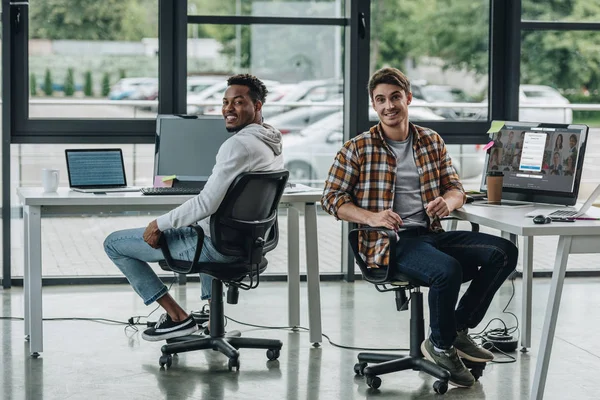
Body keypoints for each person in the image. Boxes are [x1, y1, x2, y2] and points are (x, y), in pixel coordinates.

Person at [321, 67, 518, 388]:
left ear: (408, 98)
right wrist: (372, 217)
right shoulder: (357, 148)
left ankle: (453, 330)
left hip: (429, 234)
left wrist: (448, 203)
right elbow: (331, 199)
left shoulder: (430, 140)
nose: (389, 106)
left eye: (395, 97)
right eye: (381, 100)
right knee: (446, 270)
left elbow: (456, 188)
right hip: (388, 242)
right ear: (374, 105)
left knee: (504, 251)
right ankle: (441, 347)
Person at [104, 74, 284, 341]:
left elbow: (205, 202)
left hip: (217, 247)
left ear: (257, 106)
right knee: (200, 224)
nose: (228, 109)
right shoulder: (272, 142)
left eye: (238, 102)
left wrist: (158, 224)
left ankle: (178, 318)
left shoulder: (238, 145)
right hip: (248, 243)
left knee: (114, 244)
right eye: (225, 102)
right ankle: (213, 319)